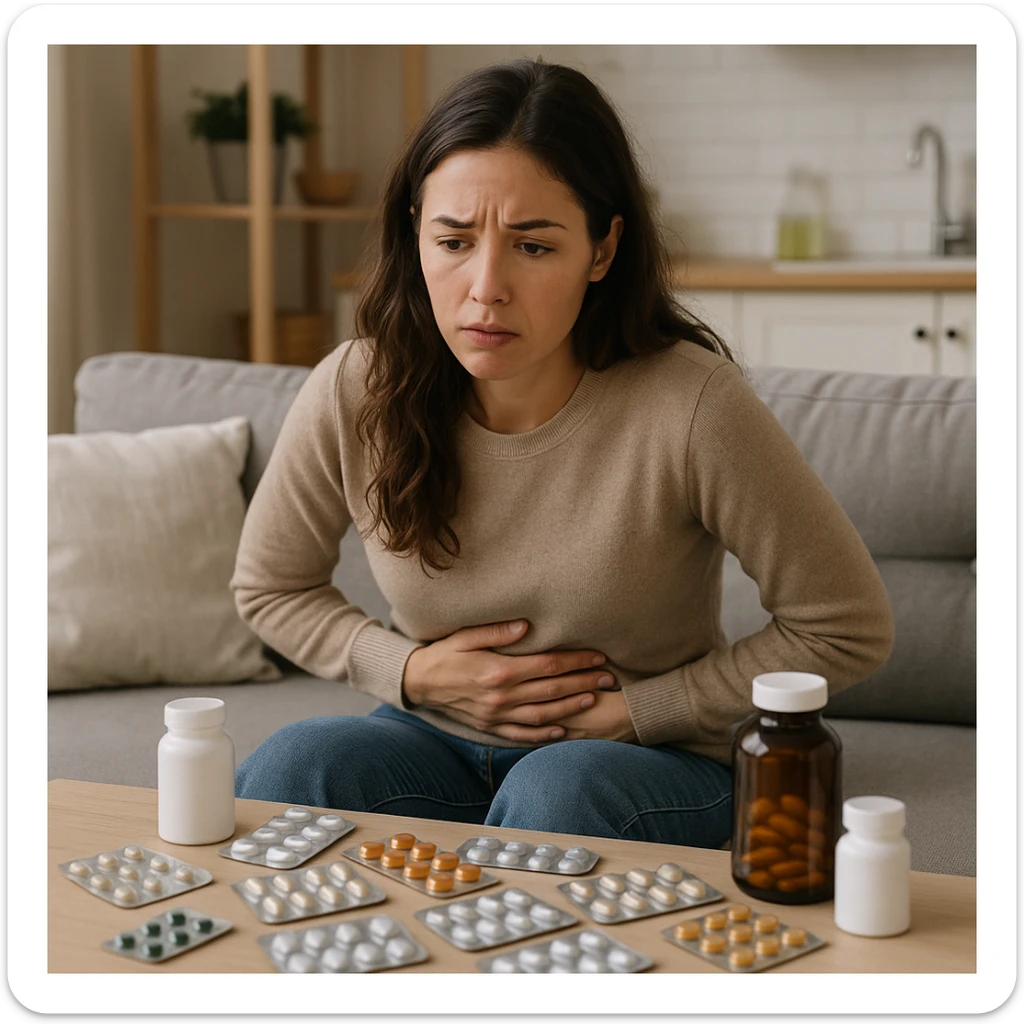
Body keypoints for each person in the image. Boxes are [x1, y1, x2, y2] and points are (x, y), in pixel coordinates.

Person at [231, 58, 894, 850]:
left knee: (558, 791)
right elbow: (269, 588)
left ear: (603, 249)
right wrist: (409, 672)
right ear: (416, 233)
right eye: (452, 240)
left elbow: (846, 626)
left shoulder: (692, 405)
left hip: (645, 762)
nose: (485, 287)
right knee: (292, 768)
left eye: (533, 247)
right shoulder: (355, 385)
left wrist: (641, 711)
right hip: (433, 740)